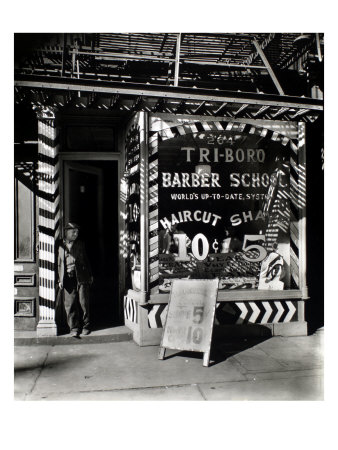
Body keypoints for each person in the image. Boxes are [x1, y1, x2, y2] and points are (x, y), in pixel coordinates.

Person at [57, 223, 93, 337]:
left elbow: (87, 260)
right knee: (70, 304)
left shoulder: (80, 244)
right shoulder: (59, 244)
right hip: (67, 278)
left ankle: (86, 326)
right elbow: (57, 263)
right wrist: (59, 279)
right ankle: (74, 328)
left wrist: (90, 275)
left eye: (77, 232)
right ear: (66, 232)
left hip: (81, 276)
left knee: (83, 302)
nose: (76, 234)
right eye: (73, 232)